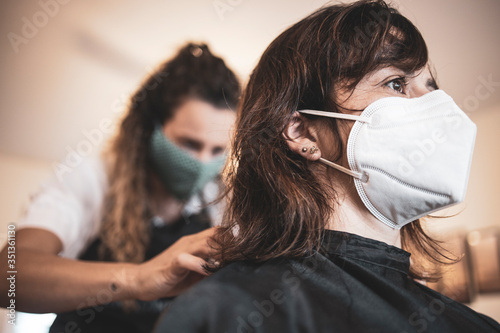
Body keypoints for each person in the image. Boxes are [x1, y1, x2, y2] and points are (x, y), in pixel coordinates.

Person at [154, 2, 500, 332]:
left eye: (432, 87)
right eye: (396, 83)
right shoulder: (234, 310)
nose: (437, 108)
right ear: (303, 131)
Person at [0, 42, 240, 333]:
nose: (203, 163)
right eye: (189, 144)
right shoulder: (91, 178)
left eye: (217, 150)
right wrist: (138, 279)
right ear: (150, 128)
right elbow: (8, 277)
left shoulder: (219, 201)